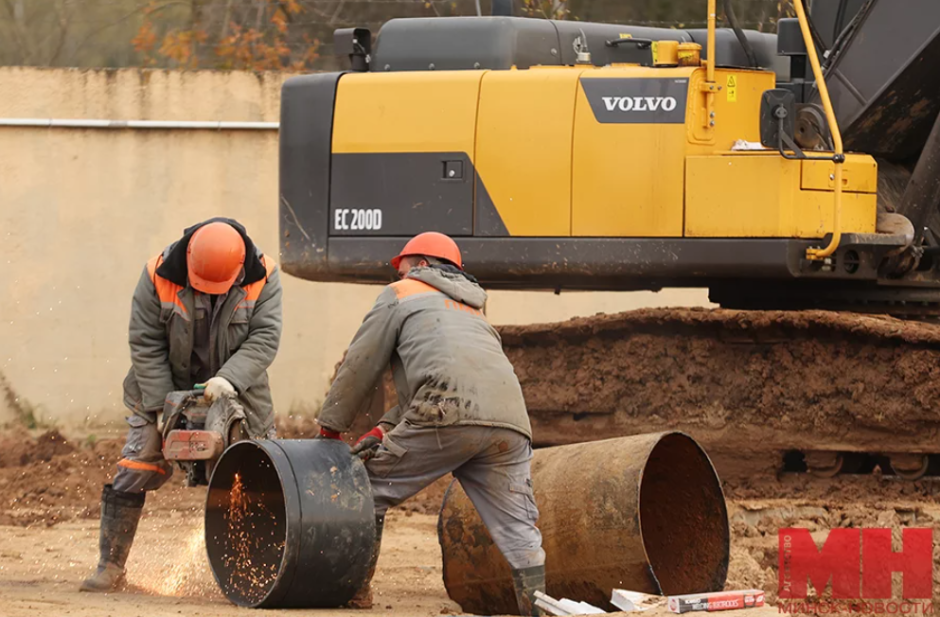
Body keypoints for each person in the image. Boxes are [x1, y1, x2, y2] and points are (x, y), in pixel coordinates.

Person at [315, 231, 546, 616]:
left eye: (403, 267)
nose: (398, 274)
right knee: (519, 530)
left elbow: (361, 362)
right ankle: (536, 608)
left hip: (448, 412)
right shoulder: (472, 307)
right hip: (509, 424)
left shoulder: (401, 293)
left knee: (363, 490)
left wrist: (330, 428)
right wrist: (384, 429)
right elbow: (437, 379)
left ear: (421, 264)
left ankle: (355, 591)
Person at [79, 217, 283, 593]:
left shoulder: (264, 276)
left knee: (255, 470)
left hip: (238, 388)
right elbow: (146, 342)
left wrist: (229, 379)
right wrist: (160, 407)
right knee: (138, 462)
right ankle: (110, 566)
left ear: (240, 269)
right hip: (162, 383)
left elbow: (265, 338)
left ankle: (252, 571)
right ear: (189, 260)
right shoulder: (158, 273)